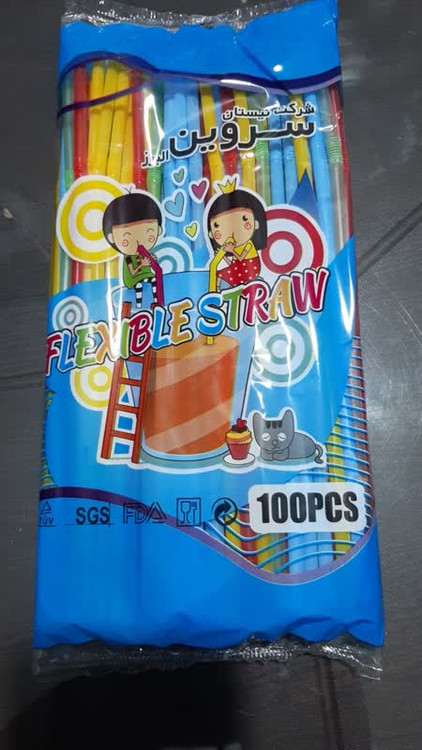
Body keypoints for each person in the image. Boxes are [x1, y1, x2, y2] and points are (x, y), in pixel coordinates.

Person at [103, 192, 163, 308]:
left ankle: (157, 303)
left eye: (149, 232)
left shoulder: (144, 252)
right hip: (133, 279)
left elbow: (153, 268)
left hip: (145, 275)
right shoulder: (129, 257)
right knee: (139, 286)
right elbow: (133, 272)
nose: (138, 240)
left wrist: (152, 260)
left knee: (154, 280)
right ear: (112, 238)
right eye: (126, 236)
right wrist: (142, 264)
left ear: (158, 230)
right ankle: (139, 307)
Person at [207, 185, 267, 290]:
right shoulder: (235, 245)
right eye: (217, 225)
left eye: (244, 218)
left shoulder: (248, 245)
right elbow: (234, 265)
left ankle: (217, 292)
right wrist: (224, 257)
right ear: (211, 233)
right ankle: (218, 294)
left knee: (221, 275)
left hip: (251, 269)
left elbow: (240, 258)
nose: (232, 229)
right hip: (240, 269)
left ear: (256, 223)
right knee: (220, 274)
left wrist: (232, 251)